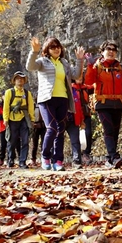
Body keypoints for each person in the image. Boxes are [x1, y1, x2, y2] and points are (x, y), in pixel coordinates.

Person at [27, 36, 85, 172]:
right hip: (46, 99)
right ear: (47, 49)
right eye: (52, 47)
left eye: (58, 46)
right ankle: (45, 155)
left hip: (63, 99)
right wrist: (34, 51)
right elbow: (30, 66)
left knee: (60, 131)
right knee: (52, 128)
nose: (56, 49)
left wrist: (80, 60)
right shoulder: (42, 62)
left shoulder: (63, 63)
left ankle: (58, 161)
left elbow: (76, 75)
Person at [84, 40, 122, 168]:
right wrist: (90, 66)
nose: (111, 52)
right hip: (103, 103)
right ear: (102, 52)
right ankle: (114, 157)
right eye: (108, 49)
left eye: (114, 49)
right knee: (108, 130)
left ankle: (109, 159)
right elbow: (89, 81)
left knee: (115, 131)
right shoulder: (98, 67)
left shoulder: (119, 67)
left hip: (117, 103)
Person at [3, 71, 35, 168]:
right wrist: (5, 119)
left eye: (21, 79)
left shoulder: (27, 93)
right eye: (18, 79)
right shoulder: (9, 92)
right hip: (12, 119)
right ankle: (10, 159)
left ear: (24, 81)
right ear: (14, 81)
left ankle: (22, 161)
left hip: (24, 119)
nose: (20, 80)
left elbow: (30, 107)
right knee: (11, 141)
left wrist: (32, 119)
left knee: (25, 141)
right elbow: (6, 107)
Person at [72, 75, 94, 164]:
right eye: (78, 77)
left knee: (88, 133)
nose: (79, 79)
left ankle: (86, 153)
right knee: (75, 134)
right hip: (75, 114)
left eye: (81, 77)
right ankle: (76, 154)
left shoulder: (86, 88)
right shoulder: (71, 88)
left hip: (85, 113)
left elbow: (94, 86)